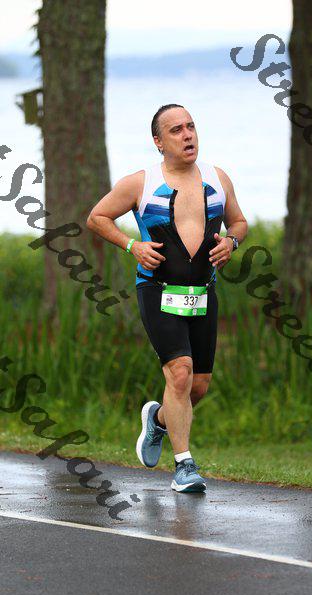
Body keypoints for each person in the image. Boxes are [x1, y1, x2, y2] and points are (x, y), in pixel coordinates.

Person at [87, 104, 248, 493]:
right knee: (179, 373)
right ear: (158, 142)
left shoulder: (217, 178)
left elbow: (239, 222)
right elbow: (97, 217)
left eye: (191, 126)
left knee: (198, 386)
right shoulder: (140, 184)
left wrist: (232, 242)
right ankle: (184, 466)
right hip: (157, 291)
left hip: (203, 293)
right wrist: (133, 246)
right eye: (176, 130)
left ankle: (158, 420)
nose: (187, 134)